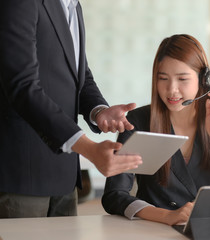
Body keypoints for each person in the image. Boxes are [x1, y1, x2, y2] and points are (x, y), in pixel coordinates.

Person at [0, 0, 142, 218]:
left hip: (64, 177)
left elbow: (80, 75)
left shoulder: (73, 6)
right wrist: (89, 148)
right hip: (22, 175)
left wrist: (98, 111)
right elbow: (23, 87)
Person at [102, 34, 210, 225]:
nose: (172, 89)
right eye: (163, 78)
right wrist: (166, 216)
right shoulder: (139, 121)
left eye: (182, 79)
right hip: (151, 227)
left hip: (200, 229)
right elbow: (114, 195)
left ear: (204, 80)